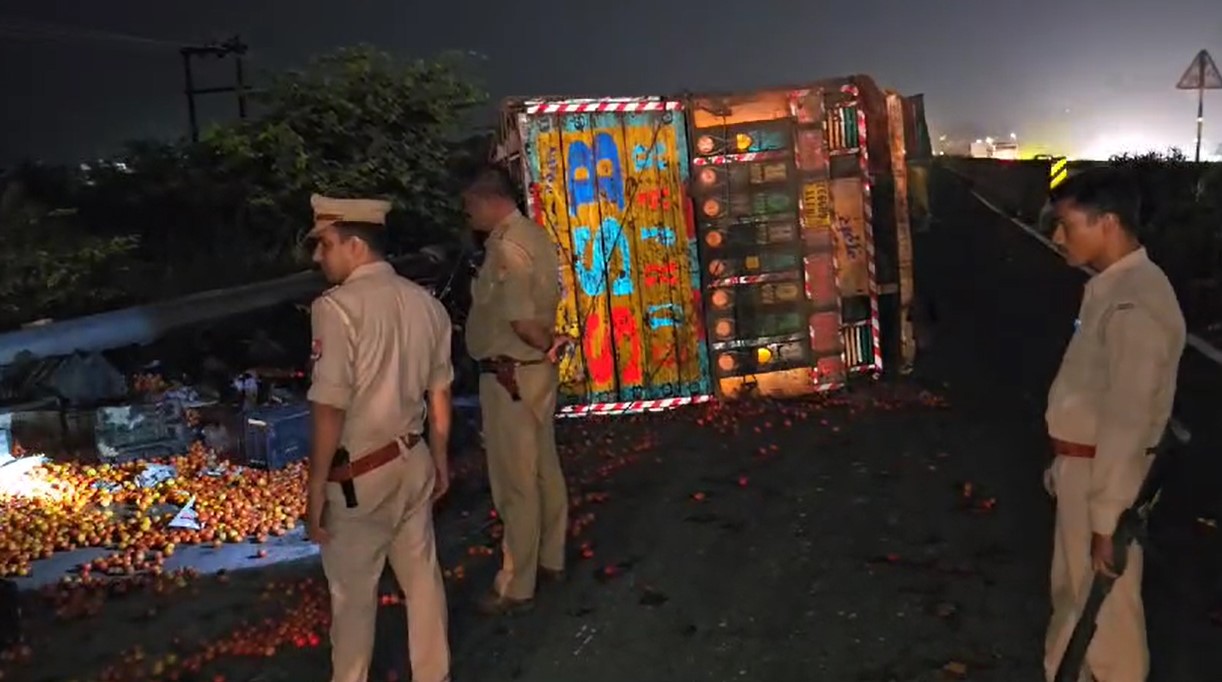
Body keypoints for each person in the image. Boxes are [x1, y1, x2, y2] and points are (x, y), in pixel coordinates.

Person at [1042, 168, 1185, 682]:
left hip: (1105, 485)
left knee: (1106, 619)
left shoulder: (1133, 305)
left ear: (1107, 222)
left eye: (1067, 224)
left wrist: (1106, 520)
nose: (1058, 237)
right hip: (1086, 473)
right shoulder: (1113, 289)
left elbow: (1127, 422)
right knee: (1078, 603)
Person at [305, 193, 453, 682]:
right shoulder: (426, 304)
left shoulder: (336, 309)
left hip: (359, 478)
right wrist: (442, 460)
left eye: (323, 244)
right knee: (423, 582)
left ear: (354, 246)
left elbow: (329, 408)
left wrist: (315, 490)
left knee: (352, 599)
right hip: (413, 461)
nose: (317, 256)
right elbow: (440, 394)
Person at [460, 165, 570, 615]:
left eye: (469, 206)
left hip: (511, 377)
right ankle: (551, 558)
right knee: (544, 470)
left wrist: (548, 344)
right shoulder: (535, 235)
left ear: (488, 200)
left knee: (515, 484)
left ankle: (516, 584)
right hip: (530, 376)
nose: (467, 216)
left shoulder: (506, 248)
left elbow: (523, 322)